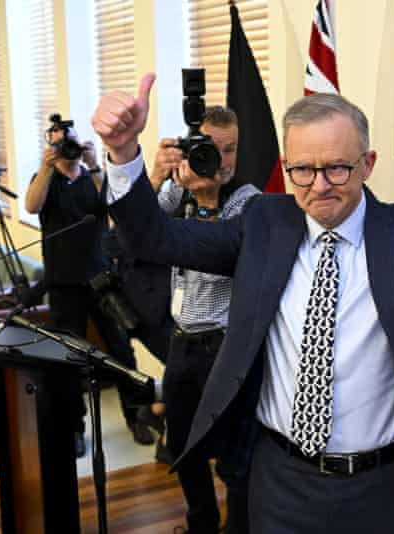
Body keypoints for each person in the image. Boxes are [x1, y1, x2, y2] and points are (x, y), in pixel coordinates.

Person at [92, 73, 394, 533]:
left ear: (368, 163)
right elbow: (155, 238)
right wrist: (124, 154)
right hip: (281, 481)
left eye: (337, 168)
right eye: (302, 170)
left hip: (388, 489)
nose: (319, 185)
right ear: (287, 165)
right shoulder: (263, 224)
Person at [148, 106, 259, 534]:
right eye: (212, 149)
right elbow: (138, 235)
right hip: (182, 342)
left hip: (223, 345)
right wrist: (157, 175)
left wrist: (209, 201)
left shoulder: (247, 201)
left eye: (231, 149)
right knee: (180, 444)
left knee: (233, 450)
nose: (223, 160)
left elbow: (217, 258)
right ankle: (201, 522)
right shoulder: (181, 190)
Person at [25, 120, 154, 456]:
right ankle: (75, 428)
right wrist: (45, 167)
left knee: (122, 352)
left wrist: (96, 164)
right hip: (63, 285)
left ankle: (137, 416)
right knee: (68, 360)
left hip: (101, 281)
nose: (65, 150)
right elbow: (31, 206)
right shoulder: (47, 181)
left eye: (69, 143)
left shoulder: (91, 177)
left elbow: (111, 206)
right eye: (57, 145)